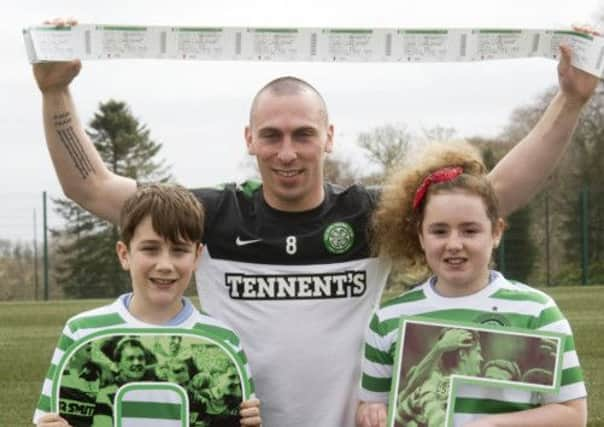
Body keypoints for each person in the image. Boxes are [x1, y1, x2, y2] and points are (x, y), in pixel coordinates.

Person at [33, 18, 598, 427]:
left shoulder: (369, 214)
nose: (288, 152)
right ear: (249, 139)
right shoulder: (216, 215)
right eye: (272, 135)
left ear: (328, 137)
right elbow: (93, 188)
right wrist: (56, 90)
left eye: (303, 133)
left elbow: (492, 195)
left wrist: (570, 100)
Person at [357, 142, 587, 426]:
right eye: (439, 231)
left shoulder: (536, 311)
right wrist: (370, 412)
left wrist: (489, 425)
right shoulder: (388, 319)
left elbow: (572, 414)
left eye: (470, 230)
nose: (454, 244)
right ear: (420, 235)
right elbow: (371, 405)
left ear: (496, 232)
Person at [33, 183, 262, 427]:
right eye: (150, 249)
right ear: (124, 254)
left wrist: (249, 422)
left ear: (197, 256)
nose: (165, 264)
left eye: (179, 250)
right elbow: (49, 417)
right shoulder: (82, 331)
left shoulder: (223, 339)